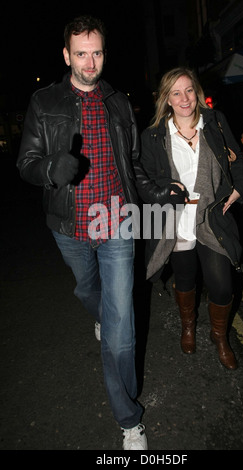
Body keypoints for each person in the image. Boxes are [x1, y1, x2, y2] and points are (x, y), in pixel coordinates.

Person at [17, 15, 147, 450]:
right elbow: (26, 163)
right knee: (86, 288)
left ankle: (129, 419)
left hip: (118, 221)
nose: (90, 63)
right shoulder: (44, 101)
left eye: (97, 53)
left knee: (121, 323)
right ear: (66, 55)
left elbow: (132, 161)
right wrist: (52, 168)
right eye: (81, 54)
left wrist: (156, 190)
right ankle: (102, 315)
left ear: (104, 53)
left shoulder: (118, 102)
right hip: (69, 225)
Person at [136, 67, 243, 370]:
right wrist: (162, 195)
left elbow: (237, 160)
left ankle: (219, 336)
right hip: (177, 221)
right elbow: (144, 179)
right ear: (167, 99)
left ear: (196, 92)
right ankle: (188, 326)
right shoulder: (153, 135)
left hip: (210, 217)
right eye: (176, 92)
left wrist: (238, 190)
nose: (184, 98)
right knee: (185, 279)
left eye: (188, 90)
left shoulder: (214, 122)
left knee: (222, 285)